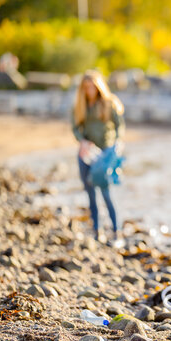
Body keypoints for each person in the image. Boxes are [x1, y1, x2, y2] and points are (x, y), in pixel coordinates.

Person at [72, 70, 125, 243]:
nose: (89, 90)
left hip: (105, 154)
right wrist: (82, 141)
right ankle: (97, 230)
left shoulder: (109, 103)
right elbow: (75, 128)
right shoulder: (80, 105)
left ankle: (116, 231)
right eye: (86, 87)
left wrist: (116, 144)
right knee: (90, 194)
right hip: (86, 154)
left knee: (106, 193)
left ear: (98, 87)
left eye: (92, 87)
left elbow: (119, 127)